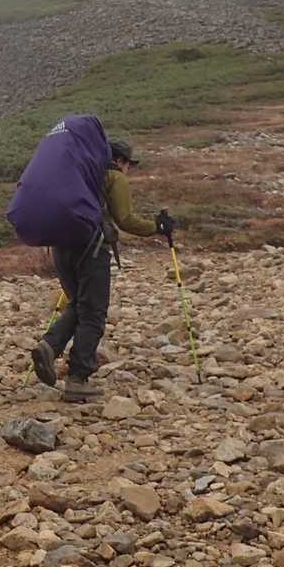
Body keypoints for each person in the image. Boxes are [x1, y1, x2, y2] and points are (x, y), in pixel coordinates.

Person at [31, 138, 172, 401]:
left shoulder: (75, 174)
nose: (128, 169)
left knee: (78, 304)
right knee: (93, 313)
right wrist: (157, 227)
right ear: (119, 160)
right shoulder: (113, 177)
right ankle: (78, 378)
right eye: (128, 163)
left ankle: (49, 346)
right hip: (92, 250)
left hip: (60, 246)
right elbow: (125, 219)